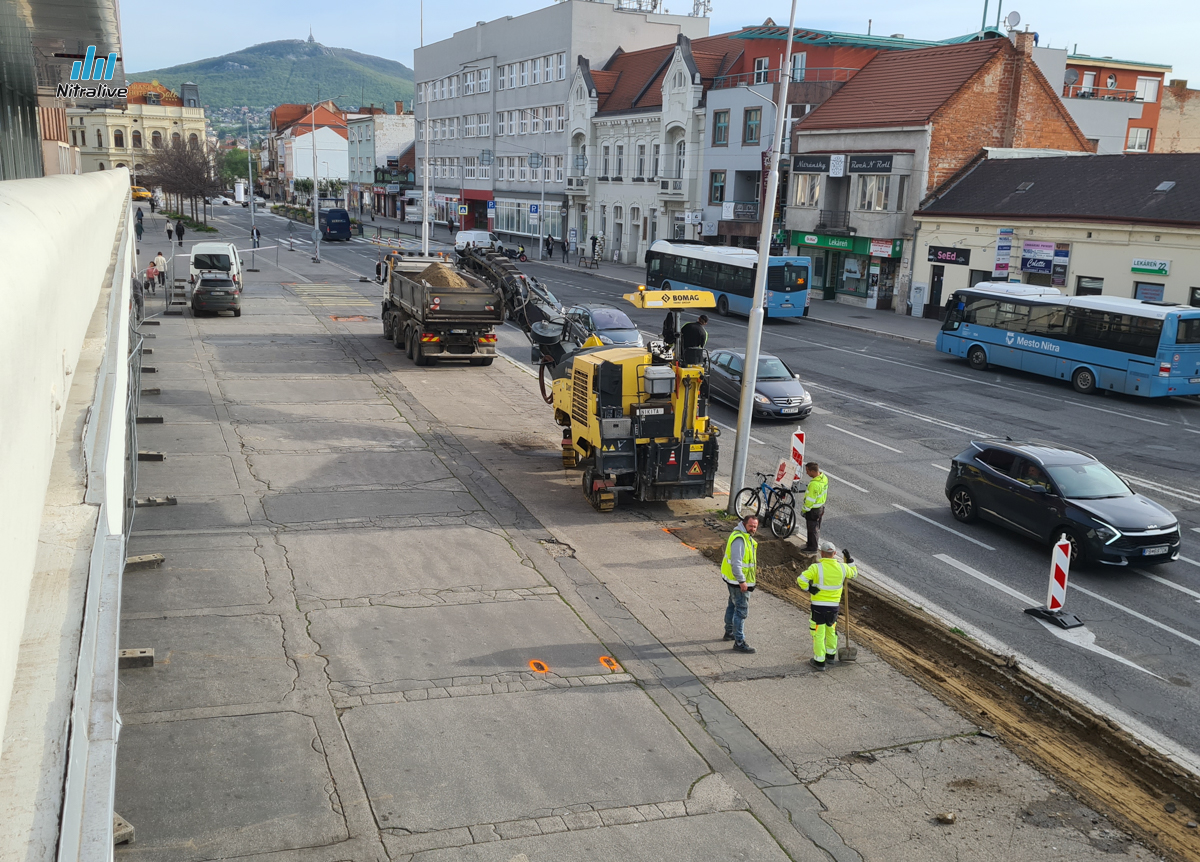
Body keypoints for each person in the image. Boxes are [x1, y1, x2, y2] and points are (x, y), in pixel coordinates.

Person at [796, 541, 857, 671]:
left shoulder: (816, 568)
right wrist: (850, 560)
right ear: (834, 553)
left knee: (818, 633)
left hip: (818, 607)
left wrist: (809, 588)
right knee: (831, 630)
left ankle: (819, 661)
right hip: (833, 607)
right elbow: (854, 573)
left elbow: (801, 579)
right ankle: (830, 656)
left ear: (821, 553)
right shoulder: (843, 568)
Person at [720, 515, 759, 654]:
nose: (753, 529)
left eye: (755, 526)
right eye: (751, 526)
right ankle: (739, 641)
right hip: (738, 582)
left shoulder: (742, 536)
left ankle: (729, 632)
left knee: (732, 604)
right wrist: (742, 581)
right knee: (741, 611)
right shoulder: (740, 539)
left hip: (733, 580)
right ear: (744, 524)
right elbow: (736, 564)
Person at [801, 462, 828, 552]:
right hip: (820, 507)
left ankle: (812, 548)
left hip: (813, 510)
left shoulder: (814, 485)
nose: (806, 473)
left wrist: (804, 510)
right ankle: (810, 544)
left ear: (812, 471)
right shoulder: (824, 478)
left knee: (812, 529)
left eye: (807, 471)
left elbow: (810, 500)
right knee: (816, 527)